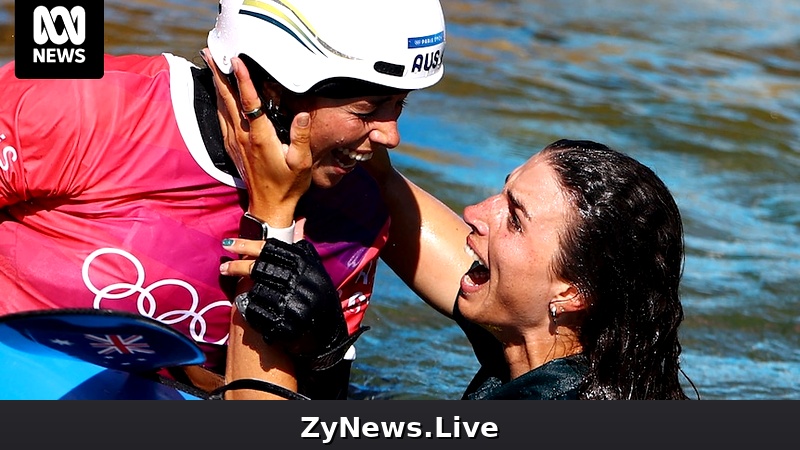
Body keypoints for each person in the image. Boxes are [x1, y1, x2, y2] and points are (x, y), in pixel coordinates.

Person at [0, 0, 447, 399]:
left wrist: (323, 349)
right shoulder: (80, 106)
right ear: (270, 87)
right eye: (366, 111)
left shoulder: (356, 216)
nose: (392, 136)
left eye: (400, 105)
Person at [218, 88, 692, 399]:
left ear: (571, 293)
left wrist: (272, 215)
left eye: (515, 219)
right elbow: (394, 199)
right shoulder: (566, 350)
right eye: (501, 193)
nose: (474, 213)